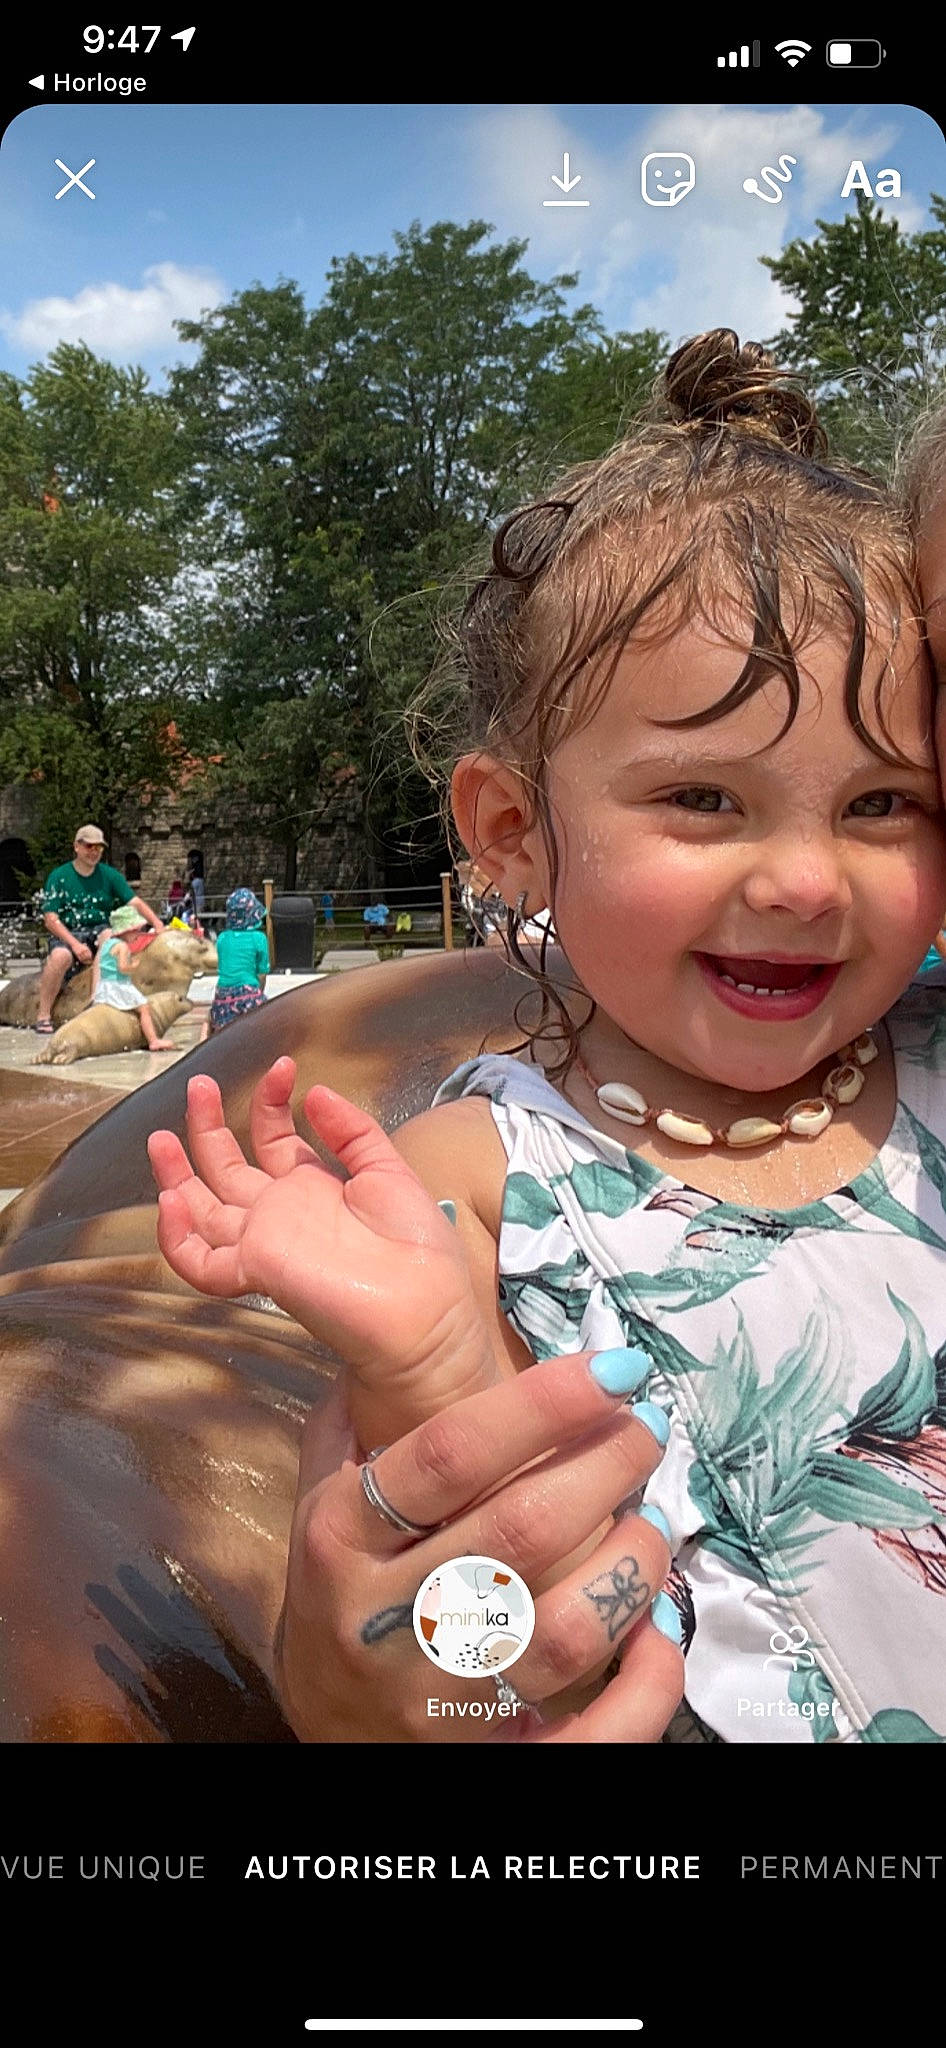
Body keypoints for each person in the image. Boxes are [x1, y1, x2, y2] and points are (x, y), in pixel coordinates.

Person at [149, 327, 946, 1746]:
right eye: (703, 799)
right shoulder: (479, 1171)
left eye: (880, 804)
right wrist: (423, 1360)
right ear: (513, 830)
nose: (804, 880)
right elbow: (484, 1560)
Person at [35, 824, 164, 1034]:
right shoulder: (59, 876)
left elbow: (134, 901)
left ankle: (96, 999)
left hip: (100, 928)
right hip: (68, 931)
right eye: (89, 846)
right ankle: (43, 1014)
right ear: (76, 846)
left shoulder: (109, 875)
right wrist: (75, 945)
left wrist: (157, 924)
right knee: (60, 957)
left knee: (109, 937)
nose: (94, 852)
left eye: (98, 847)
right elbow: (51, 920)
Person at [89, 906, 178, 1051]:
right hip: (118, 985)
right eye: (137, 930)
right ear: (126, 931)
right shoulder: (122, 946)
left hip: (104, 986)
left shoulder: (106, 944)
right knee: (144, 1007)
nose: (139, 933)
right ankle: (153, 1040)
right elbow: (123, 967)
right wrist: (134, 966)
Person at [199, 887, 269, 1040]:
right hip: (249, 996)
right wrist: (258, 993)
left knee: (208, 1020)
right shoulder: (259, 938)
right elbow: (262, 974)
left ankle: (201, 1047)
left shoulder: (222, 938)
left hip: (223, 997)